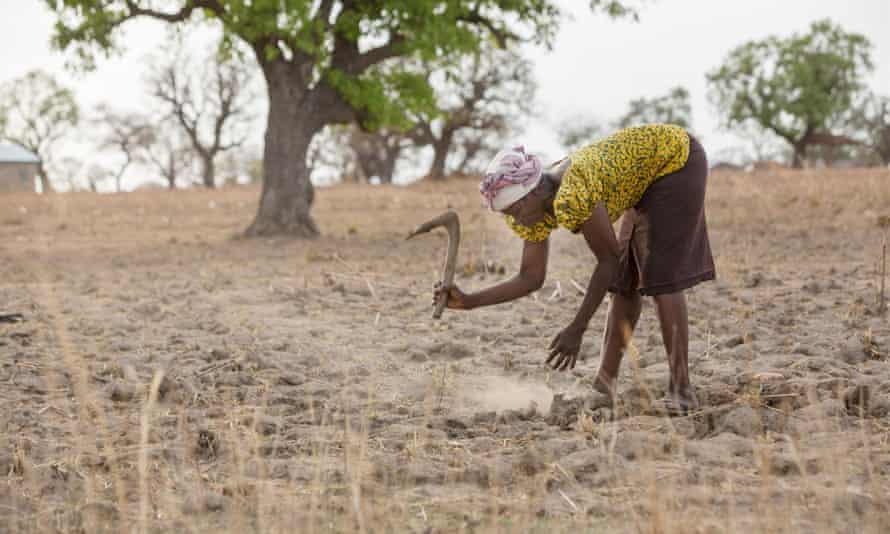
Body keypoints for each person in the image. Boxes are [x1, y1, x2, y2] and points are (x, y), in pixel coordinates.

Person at [433, 123, 715, 414]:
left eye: (514, 210)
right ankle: (604, 387)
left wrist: (577, 328)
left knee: (660, 275)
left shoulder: (572, 190)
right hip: (644, 179)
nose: (513, 220)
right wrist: (468, 301)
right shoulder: (536, 207)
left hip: (676, 161)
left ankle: (682, 391)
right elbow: (531, 277)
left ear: (531, 194)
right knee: (624, 283)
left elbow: (607, 260)